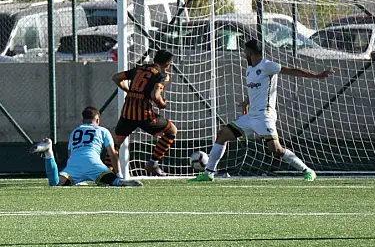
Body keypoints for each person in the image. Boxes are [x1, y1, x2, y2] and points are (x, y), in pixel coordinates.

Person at [190, 39, 335, 182]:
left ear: (250, 52)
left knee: (276, 149)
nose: (244, 54)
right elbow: (255, 90)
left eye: (245, 51)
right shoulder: (249, 69)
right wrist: (245, 103)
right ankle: (209, 173)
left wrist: (316, 75)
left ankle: (307, 171)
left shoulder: (267, 65)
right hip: (251, 116)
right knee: (222, 135)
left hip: (264, 115)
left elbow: (291, 70)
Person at [30, 106, 142, 187]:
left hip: (75, 164)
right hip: (93, 163)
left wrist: (76, 175)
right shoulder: (102, 130)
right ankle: (121, 182)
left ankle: (49, 153)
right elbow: (112, 154)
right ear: (97, 120)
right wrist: (119, 175)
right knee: (114, 182)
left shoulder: (75, 131)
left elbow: (70, 155)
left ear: (83, 120)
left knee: (55, 183)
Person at [110, 49, 178, 177]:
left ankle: (106, 172)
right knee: (172, 130)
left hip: (127, 113)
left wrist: (128, 90)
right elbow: (155, 95)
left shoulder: (140, 69)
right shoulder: (162, 75)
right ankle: (152, 163)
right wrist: (162, 104)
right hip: (145, 115)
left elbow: (116, 77)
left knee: (115, 145)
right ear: (167, 64)